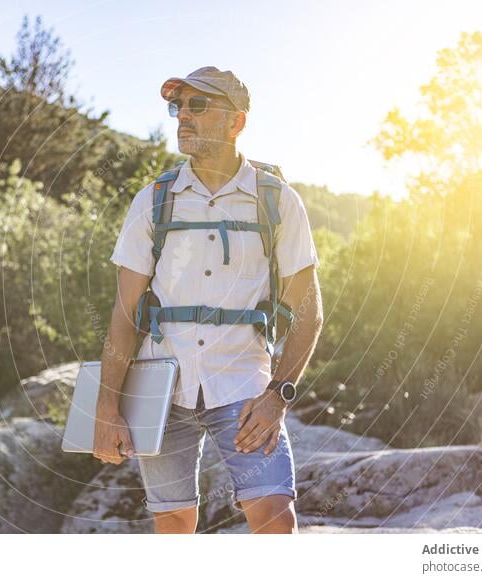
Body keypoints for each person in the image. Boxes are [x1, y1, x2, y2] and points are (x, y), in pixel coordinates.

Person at [94, 66, 324, 534]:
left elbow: (309, 313)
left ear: (236, 121)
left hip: (243, 386)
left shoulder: (278, 201)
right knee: (175, 522)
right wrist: (106, 407)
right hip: (159, 387)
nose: (183, 117)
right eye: (178, 107)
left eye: (199, 106)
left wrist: (277, 397)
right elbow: (123, 314)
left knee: (275, 516)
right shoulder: (153, 201)